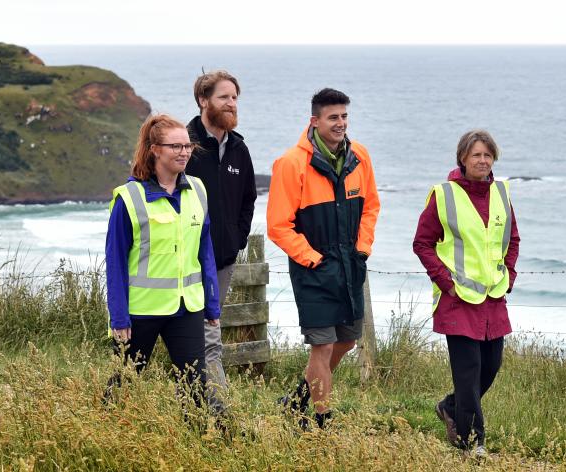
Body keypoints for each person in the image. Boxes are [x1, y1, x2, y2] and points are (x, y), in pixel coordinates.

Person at [267, 88, 380, 430]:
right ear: (314, 121)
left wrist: (362, 249)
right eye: (333, 117)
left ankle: (298, 399)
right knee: (322, 345)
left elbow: (371, 207)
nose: (341, 123)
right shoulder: (290, 163)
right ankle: (320, 420)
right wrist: (312, 258)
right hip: (313, 270)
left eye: (344, 116)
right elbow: (278, 225)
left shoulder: (359, 155)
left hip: (350, 266)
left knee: (345, 340)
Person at [104, 113, 222, 418]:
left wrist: (212, 304)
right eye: (175, 146)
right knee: (125, 382)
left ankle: (205, 439)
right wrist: (119, 318)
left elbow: (203, 249)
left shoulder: (197, 189)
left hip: (187, 307)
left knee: (195, 385)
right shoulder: (129, 198)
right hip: (141, 311)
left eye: (187, 146)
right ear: (155, 149)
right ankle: (106, 431)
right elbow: (115, 262)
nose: (184, 152)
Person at [412, 129, 520, 457]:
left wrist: (509, 274)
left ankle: (449, 406)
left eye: (488, 155)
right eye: (477, 155)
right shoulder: (444, 195)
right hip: (457, 300)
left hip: (493, 298)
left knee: (491, 366)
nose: (483, 161)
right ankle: (473, 444)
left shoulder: (501, 192)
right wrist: (446, 283)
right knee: (469, 371)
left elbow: (512, 239)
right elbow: (422, 243)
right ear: (463, 158)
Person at [184, 70, 257, 409]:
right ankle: (214, 411)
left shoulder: (239, 149)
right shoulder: (184, 145)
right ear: (204, 100)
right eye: (224, 97)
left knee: (208, 333)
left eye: (235, 98)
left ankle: (212, 412)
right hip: (181, 260)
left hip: (222, 261)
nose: (231, 104)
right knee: (186, 337)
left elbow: (248, 200)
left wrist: (236, 240)